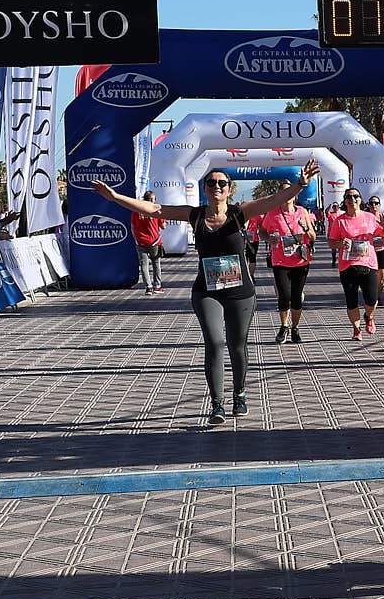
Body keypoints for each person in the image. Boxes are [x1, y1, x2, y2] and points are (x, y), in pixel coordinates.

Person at [91, 165, 313, 425]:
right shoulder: (195, 215)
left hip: (240, 292)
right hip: (207, 291)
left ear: (229, 189)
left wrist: (300, 184)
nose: (216, 187)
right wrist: (115, 197)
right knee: (215, 343)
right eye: (211, 183)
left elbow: (273, 200)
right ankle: (217, 403)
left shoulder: (240, 212)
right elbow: (154, 209)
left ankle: (239, 393)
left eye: (221, 183)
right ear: (205, 188)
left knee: (237, 347)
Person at [259, 179, 317, 342]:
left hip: (301, 261)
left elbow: (313, 236)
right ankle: (284, 326)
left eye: (290, 191)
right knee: (284, 295)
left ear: (295, 194)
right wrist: (269, 240)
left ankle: (295, 327)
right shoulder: (272, 213)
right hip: (280, 261)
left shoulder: (303, 212)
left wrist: (305, 228)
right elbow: (262, 231)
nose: (288, 195)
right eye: (284, 191)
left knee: (297, 296)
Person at [327, 188, 384, 342]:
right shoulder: (339, 221)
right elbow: (331, 243)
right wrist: (341, 243)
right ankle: (356, 329)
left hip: (369, 264)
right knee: (351, 301)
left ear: (360, 200)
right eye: (348, 197)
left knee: (372, 299)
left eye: (355, 196)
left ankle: (368, 316)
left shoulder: (370, 217)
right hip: (348, 266)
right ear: (345, 200)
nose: (352, 199)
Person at [367, 194, 384, 297]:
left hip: (382, 249)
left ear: (379, 205)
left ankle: (378, 296)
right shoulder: (365, 218)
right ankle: (372, 296)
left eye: (376, 203)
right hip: (369, 251)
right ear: (368, 205)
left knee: (382, 277)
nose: (374, 205)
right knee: (371, 276)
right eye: (371, 203)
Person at [133, 203, 163, 295]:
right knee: (156, 263)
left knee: (143, 265)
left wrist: (136, 240)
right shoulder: (156, 210)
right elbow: (163, 226)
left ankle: (148, 287)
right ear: (152, 200)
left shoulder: (136, 211)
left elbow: (132, 226)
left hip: (140, 242)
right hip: (154, 241)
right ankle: (157, 286)